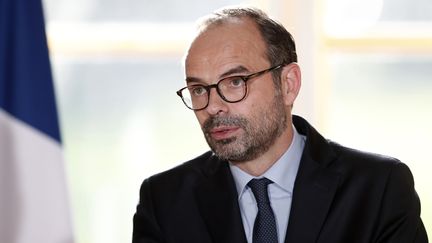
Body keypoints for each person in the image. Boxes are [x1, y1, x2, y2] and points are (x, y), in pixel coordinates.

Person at [132, 6, 428, 243]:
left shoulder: (379, 189)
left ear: (288, 84)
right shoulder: (164, 201)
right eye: (198, 89)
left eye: (235, 82)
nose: (212, 106)